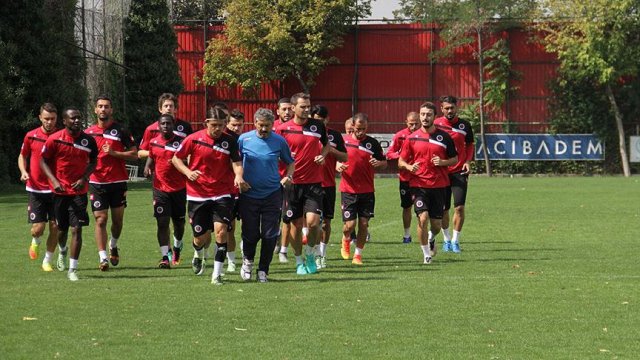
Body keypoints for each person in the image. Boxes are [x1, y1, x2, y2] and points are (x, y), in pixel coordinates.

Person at [171, 107, 247, 285]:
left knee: (221, 233)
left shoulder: (230, 141)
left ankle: (217, 274)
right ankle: (198, 253)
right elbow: (176, 158)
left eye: (221, 125)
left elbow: (237, 162)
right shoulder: (193, 139)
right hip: (197, 195)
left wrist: (238, 175)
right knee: (201, 237)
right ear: (206, 123)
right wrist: (188, 172)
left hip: (222, 193)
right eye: (214, 125)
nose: (218, 129)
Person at [40, 108, 98, 281]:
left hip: (79, 192)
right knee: (62, 230)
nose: (77, 121)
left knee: (77, 229)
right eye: (73, 118)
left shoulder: (88, 140)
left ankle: (72, 269)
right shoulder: (54, 139)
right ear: (64, 121)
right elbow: (42, 160)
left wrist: (84, 178)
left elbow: (94, 161)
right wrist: (54, 181)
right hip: (60, 192)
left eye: (79, 118)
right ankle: (62, 250)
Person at [237, 108, 294, 283]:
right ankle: (247, 262)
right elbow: (235, 162)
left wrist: (288, 176)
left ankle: (263, 270)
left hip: (272, 194)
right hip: (249, 194)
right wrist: (238, 177)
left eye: (267, 126)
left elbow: (290, 162)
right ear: (254, 123)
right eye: (261, 125)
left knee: (270, 234)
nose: (264, 129)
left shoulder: (279, 141)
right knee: (251, 233)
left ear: (272, 125)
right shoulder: (243, 139)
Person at [275, 92, 329, 275]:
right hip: (292, 183)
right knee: (296, 225)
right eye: (303, 106)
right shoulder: (282, 129)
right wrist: (285, 160)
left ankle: (310, 254)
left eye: (308, 106)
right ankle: (299, 261)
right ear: (293, 108)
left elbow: (327, 144)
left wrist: (323, 155)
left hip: (313, 182)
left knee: (313, 223)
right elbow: (274, 153)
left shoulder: (318, 126)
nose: (307, 110)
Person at [398, 102, 457, 264]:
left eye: (428, 114)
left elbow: (455, 159)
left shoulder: (444, 137)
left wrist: (442, 162)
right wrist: (410, 167)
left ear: (434, 117)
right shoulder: (412, 138)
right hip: (418, 186)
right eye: (422, 114)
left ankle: (431, 238)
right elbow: (401, 162)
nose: (425, 117)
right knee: (423, 218)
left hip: (439, 186)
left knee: (437, 224)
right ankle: (426, 255)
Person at [85, 95, 138, 271]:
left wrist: (115, 153)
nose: (103, 109)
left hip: (117, 182)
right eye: (100, 106)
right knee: (101, 219)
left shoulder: (121, 131)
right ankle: (103, 258)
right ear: (95, 109)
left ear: (111, 110)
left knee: (117, 221)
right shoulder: (88, 133)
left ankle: (113, 244)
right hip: (96, 182)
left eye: (106, 106)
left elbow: (134, 154)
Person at [336, 113, 386, 265]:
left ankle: (358, 254)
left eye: (364, 129)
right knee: (349, 226)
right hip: (348, 190)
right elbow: (334, 159)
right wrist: (337, 165)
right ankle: (346, 238)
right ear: (352, 126)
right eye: (358, 128)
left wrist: (379, 164)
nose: (361, 132)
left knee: (364, 224)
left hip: (367, 190)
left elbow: (384, 163)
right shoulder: (343, 142)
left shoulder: (373, 143)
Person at [18, 103, 61, 271]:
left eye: (52, 119)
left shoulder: (61, 136)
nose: (49, 122)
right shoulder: (31, 136)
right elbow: (22, 156)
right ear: (40, 118)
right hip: (36, 188)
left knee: (55, 227)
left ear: (57, 119)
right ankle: (35, 241)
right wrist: (23, 171)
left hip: (57, 189)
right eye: (46, 119)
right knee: (38, 229)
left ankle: (47, 260)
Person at [143, 114, 186, 268]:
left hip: (179, 189)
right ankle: (164, 257)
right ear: (159, 125)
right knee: (162, 222)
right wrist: (147, 166)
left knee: (179, 224)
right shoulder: (154, 142)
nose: (165, 126)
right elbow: (151, 155)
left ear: (173, 124)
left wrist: (179, 163)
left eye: (168, 123)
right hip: (160, 189)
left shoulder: (181, 143)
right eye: (163, 124)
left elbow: (189, 160)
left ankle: (177, 246)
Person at [434, 95, 475, 253]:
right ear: (442, 109)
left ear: (456, 108)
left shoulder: (464, 125)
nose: (450, 111)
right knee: (444, 209)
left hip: (459, 171)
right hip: (442, 171)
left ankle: (455, 240)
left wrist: (468, 161)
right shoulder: (436, 124)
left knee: (459, 208)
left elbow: (470, 144)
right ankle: (446, 240)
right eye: (447, 108)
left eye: (452, 108)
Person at [312, 105, 347, 269]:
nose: (319, 122)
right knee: (312, 222)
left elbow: (345, 156)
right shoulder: (308, 133)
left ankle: (322, 254)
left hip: (328, 185)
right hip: (310, 184)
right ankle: (311, 252)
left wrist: (330, 151)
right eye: (316, 119)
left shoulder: (334, 135)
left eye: (322, 119)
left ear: (327, 119)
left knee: (325, 223)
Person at [386, 111, 420, 244]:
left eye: (416, 123)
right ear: (406, 122)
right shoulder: (400, 136)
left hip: (422, 178)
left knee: (422, 208)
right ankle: (407, 235)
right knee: (407, 207)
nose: (414, 126)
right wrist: (401, 158)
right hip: (405, 178)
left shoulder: (424, 135)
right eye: (411, 124)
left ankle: (422, 234)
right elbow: (389, 153)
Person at [137, 93, 193, 159]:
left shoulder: (186, 126)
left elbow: (192, 151)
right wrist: (159, 151)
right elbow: (140, 153)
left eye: (171, 106)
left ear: (175, 109)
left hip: (179, 168)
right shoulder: (151, 129)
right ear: (160, 109)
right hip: (157, 168)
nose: (168, 108)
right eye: (166, 106)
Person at [223, 109, 245, 272]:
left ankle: (246, 257)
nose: (237, 128)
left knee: (248, 225)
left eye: (239, 125)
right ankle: (231, 260)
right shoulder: (224, 140)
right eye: (233, 125)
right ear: (227, 124)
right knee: (229, 227)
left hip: (245, 189)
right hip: (228, 189)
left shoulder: (246, 140)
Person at [273, 97, 294, 262]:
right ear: (277, 111)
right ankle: (275, 238)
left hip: (290, 179)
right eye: (284, 109)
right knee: (272, 215)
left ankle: (283, 251)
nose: (287, 112)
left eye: (289, 109)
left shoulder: (297, 127)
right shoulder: (271, 128)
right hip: (272, 179)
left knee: (288, 215)